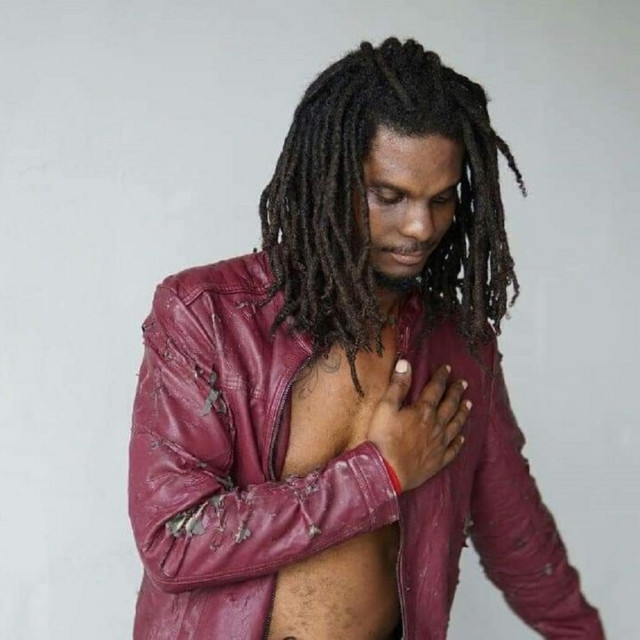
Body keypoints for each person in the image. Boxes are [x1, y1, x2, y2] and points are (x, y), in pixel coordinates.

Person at [128, 37, 605, 639]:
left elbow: (517, 535)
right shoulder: (208, 317)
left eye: (440, 199)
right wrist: (379, 475)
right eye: (389, 196)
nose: (420, 227)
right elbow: (173, 540)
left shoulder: (458, 345)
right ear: (328, 180)